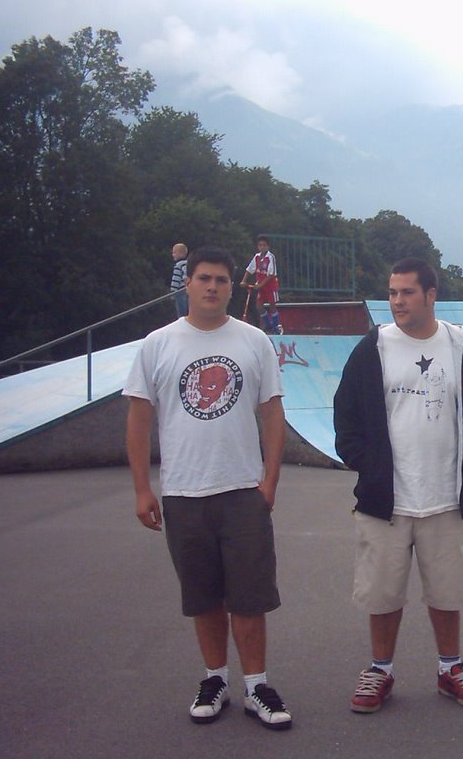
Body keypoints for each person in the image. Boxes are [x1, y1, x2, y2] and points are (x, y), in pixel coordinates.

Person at [124, 245, 292, 731]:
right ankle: (215, 678)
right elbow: (138, 418)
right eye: (203, 278)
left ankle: (257, 684)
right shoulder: (158, 344)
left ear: (229, 284)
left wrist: (269, 482)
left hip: (242, 489)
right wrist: (142, 488)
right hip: (183, 492)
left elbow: (272, 413)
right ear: (189, 284)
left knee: (250, 595)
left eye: (220, 279)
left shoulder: (254, 341)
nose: (213, 286)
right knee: (203, 595)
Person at [333, 257, 463, 715]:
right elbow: (345, 416)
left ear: (431, 295)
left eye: (407, 292)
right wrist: (369, 469)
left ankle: (451, 667)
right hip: (387, 499)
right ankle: (379, 670)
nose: (397, 302)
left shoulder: (460, 345)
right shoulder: (375, 347)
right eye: (392, 293)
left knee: (447, 590)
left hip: (444, 496)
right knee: (383, 591)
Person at [241, 235, 281, 334]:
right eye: (260, 245)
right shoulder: (257, 257)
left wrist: (260, 285)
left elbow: (270, 274)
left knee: (272, 306)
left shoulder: (270, 257)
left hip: (270, 285)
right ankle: (268, 324)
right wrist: (243, 280)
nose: (262, 247)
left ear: (268, 247)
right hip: (261, 285)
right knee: (259, 306)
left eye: (264, 245)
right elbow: (249, 269)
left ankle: (276, 327)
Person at [170, 242, 189, 318]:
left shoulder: (180, 264)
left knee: (181, 310)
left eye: (174, 253)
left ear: (180, 254)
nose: (172, 254)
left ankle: (182, 320)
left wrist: (173, 291)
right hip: (184, 290)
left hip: (180, 290)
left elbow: (176, 279)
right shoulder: (187, 263)